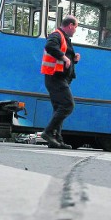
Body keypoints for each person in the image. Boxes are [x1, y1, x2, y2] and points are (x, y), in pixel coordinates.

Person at [40, 15, 81, 149]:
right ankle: (48, 132)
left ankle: (56, 140)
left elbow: (63, 56)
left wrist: (73, 59)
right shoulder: (56, 35)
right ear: (70, 25)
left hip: (58, 78)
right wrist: (65, 58)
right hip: (54, 78)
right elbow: (50, 46)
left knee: (59, 108)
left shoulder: (64, 38)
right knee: (68, 105)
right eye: (76, 27)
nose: (75, 30)